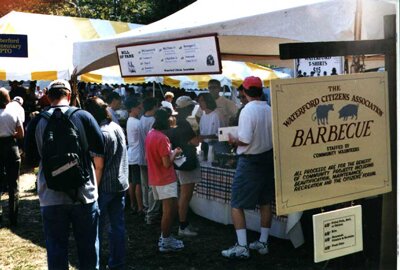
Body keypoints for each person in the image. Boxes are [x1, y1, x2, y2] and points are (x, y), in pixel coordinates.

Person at [24, 79, 105, 269]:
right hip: (84, 193)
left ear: (48, 96)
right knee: (88, 249)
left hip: (51, 195)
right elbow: (100, 150)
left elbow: (31, 160)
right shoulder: (84, 117)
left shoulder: (37, 122)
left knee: (56, 249)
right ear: (69, 95)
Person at [222, 76, 274, 259]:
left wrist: (232, 140)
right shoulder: (269, 109)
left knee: (236, 204)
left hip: (250, 161)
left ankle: (242, 247)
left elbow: (244, 139)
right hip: (268, 159)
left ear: (244, 91)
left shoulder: (247, 110)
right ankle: (263, 242)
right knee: (266, 202)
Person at [84, 97, 129, 270]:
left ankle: (96, 262)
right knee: (117, 226)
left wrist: (94, 189)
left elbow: (99, 166)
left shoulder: (100, 133)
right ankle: (118, 261)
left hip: (105, 186)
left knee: (96, 228)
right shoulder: (116, 127)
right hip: (120, 183)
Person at [145, 108, 184, 252]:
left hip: (155, 177)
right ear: (166, 119)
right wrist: (175, 152)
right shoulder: (162, 138)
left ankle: (166, 238)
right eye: (171, 117)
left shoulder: (151, 134)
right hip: (165, 178)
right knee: (168, 212)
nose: (173, 119)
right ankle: (166, 241)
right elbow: (167, 163)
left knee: (169, 210)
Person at [169, 96, 201, 237]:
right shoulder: (184, 123)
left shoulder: (174, 122)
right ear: (186, 108)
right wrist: (200, 136)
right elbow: (194, 141)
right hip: (186, 162)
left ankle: (184, 223)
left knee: (183, 194)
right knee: (185, 195)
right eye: (190, 107)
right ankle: (182, 226)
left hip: (179, 161)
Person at [0, 88, 24, 227]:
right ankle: (13, 217)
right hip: (11, 146)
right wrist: (11, 133)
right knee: (13, 183)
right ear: (7, 98)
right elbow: (21, 134)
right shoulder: (13, 112)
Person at [138, 97, 161, 224]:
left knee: (145, 185)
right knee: (152, 187)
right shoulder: (153, 120)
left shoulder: (141, 119)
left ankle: (147, 208)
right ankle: (151, 213)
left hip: (142, 155)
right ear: (154, 107)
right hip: (151, 157)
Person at [125, 97, 144, 215]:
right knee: (138, 182)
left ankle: (133, 204)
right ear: (132, 109)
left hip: (131, 153)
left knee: (132, 181)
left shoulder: (129, 120)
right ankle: (140, 207)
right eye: (138, 108)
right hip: (137, 154)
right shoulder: (137, 122)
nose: (140, 109)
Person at [198, 93, 221, 160]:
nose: (200, 104)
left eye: (202, 101)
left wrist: (205, 136)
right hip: (204, 145)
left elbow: (218, 135)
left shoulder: (216, 115)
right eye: (199, 101)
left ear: (208, 100)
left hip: (213, 146)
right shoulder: (203, 116)